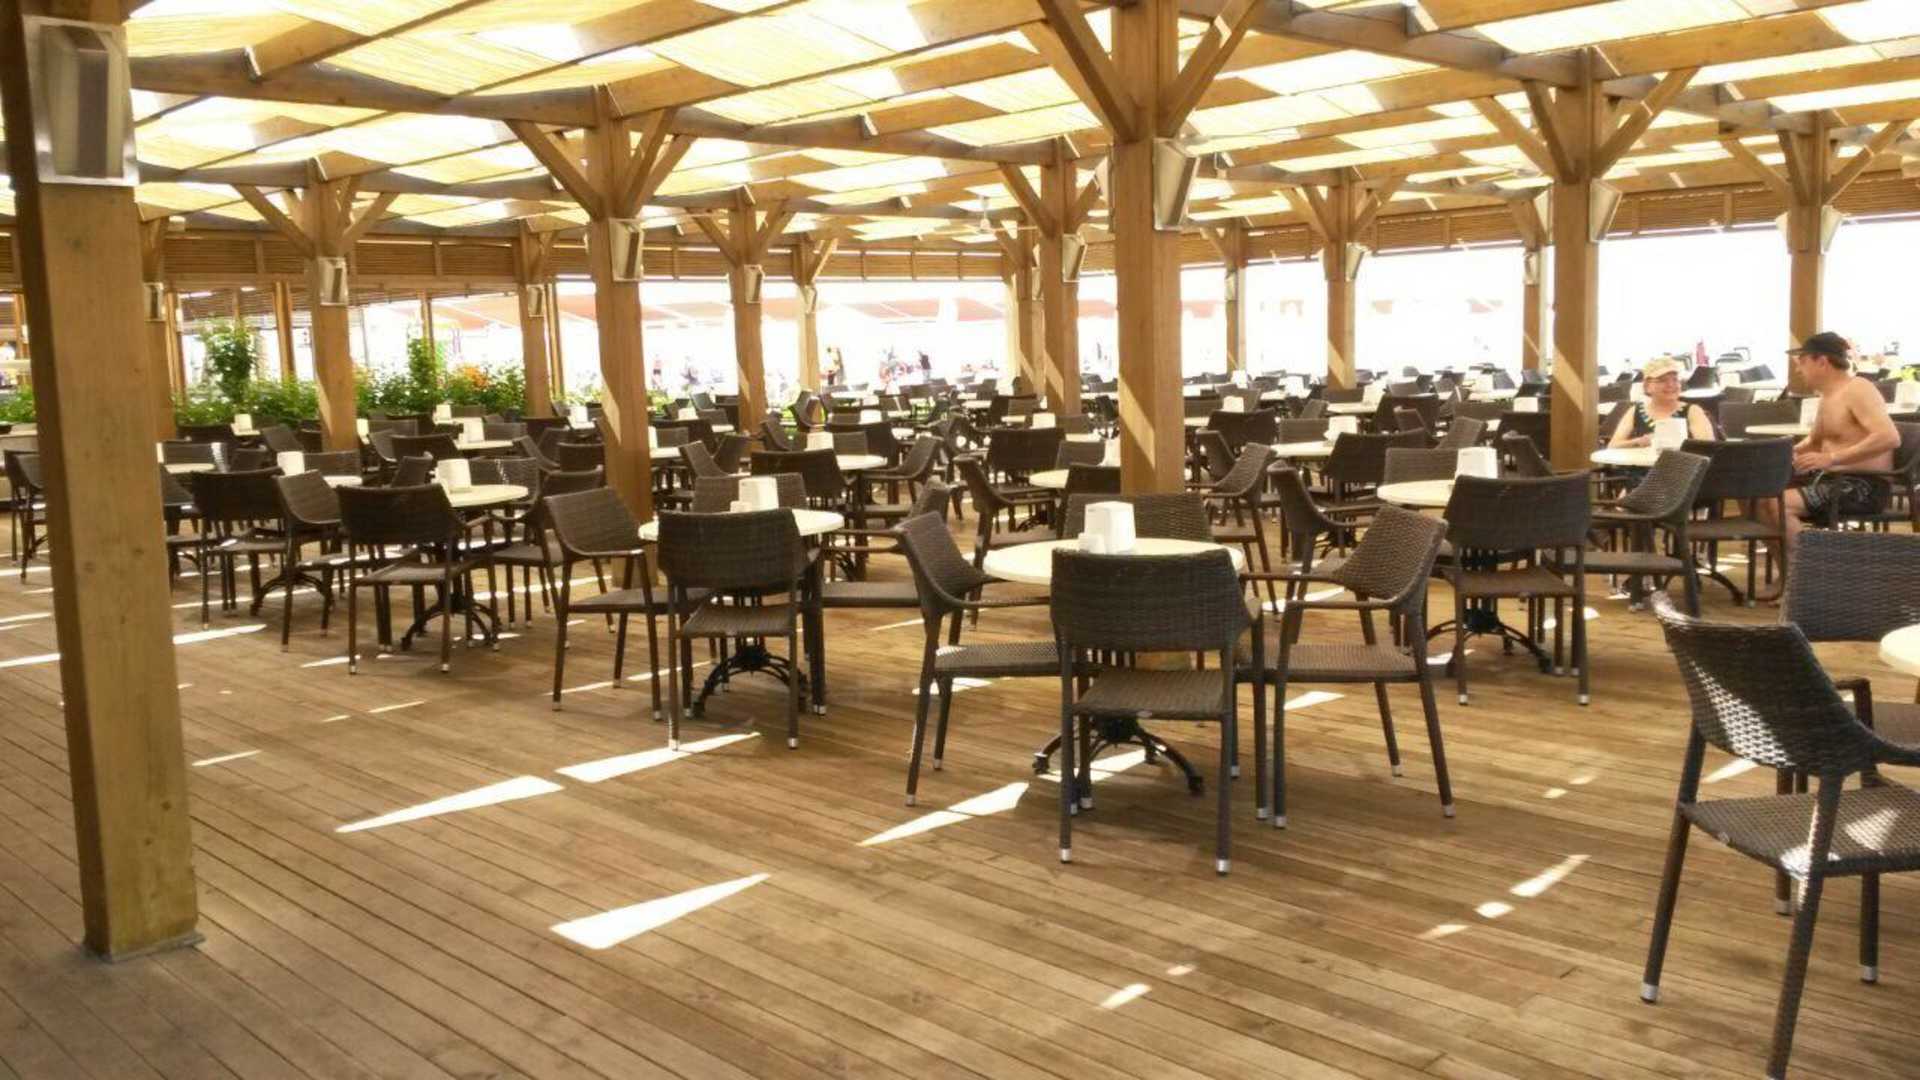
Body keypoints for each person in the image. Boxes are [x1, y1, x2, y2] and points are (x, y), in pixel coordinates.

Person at [1767, 331, 1900, 548]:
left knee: (1777, 505)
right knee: (1756, 498)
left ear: (1822, 361)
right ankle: (1792, 567)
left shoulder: (1858, 389)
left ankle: (1814, 564)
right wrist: (1780, 455)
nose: (1798, 370)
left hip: (1863, 486)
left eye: (1803, 362)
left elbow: (1889, 437)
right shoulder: (1828, 395)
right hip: (1830, 479)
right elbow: (1814, 442)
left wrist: (1832, 458)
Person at [1608, 356, 1715, 449]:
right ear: (1647, 386)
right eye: (1662, 380)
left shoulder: (1693, 411)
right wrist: (1638, 442)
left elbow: (1708, 448)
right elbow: (1613, 445)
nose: (1671, 385)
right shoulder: (1636, 411)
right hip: (1642, 465)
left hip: (1681, 466)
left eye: (1675, 379)